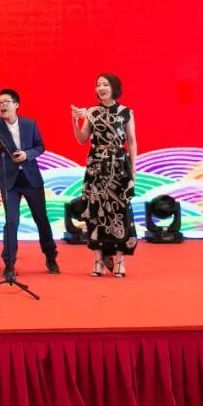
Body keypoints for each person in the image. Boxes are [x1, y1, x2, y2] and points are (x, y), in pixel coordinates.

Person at [0, 89, 59, 278]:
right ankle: (9, 264)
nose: (2, 105)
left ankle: (51, 257)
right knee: (11, 221)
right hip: (9, 180)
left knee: (41, 219)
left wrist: (27, 155)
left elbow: (40, 146)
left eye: (6, 102)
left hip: (30, 178)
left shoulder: (30, 124)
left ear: (16, 105)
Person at [72, 73, 138, 278]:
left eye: (105, 84)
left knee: (120, 210)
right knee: (95, 210)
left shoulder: (125, 112)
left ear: (114, 88)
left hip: (118, 164)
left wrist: (133, 169)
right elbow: (82, 139)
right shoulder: (91, 112)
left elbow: (131, 141)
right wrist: (75, 121)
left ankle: (120, 260)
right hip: (96, 166)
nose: (101, 88)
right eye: (98, 84)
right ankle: (98, 260)